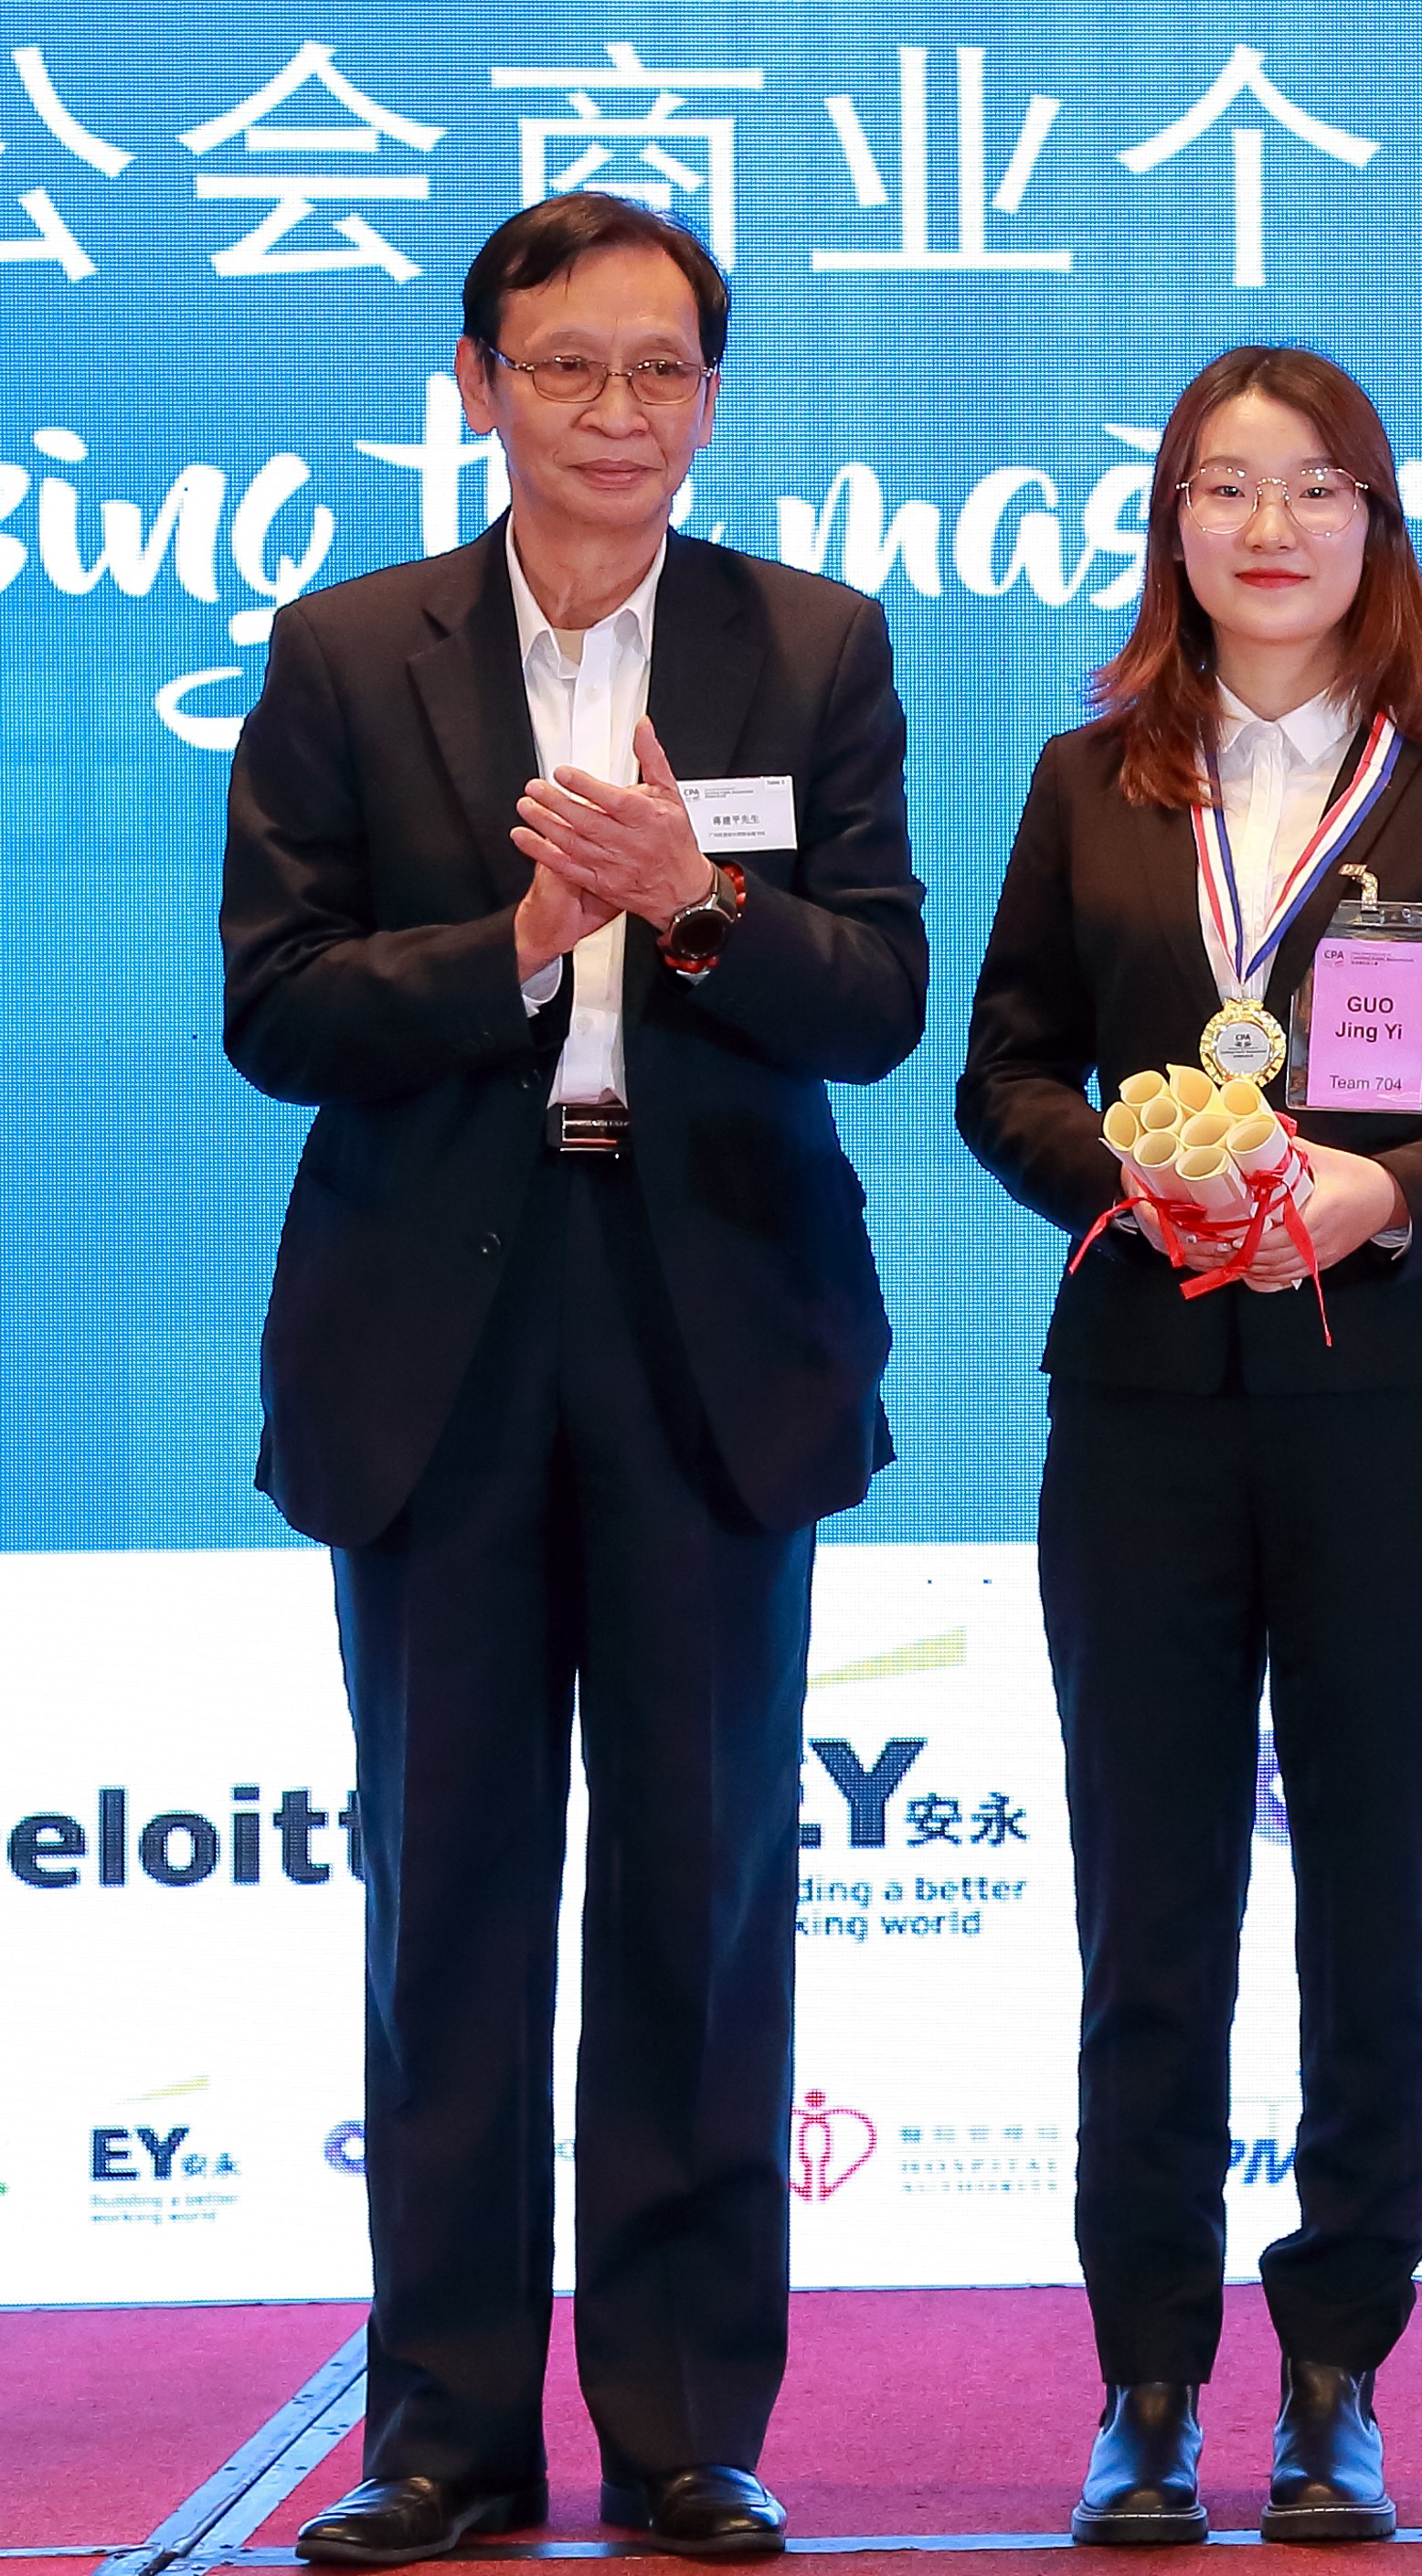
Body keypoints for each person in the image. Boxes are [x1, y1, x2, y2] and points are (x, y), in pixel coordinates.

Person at [222, 195, 926, 2565]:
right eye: (565, 367)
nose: (616, 413)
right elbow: (276, 1008)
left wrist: (692, 901)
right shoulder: (350, 650)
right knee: (446, 1901)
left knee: (699, 1895)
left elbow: (877, 999)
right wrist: (525, 934)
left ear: (712, 397)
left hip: (711, 1328)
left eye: (660, 370)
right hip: (434, 1339)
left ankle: (686, 2426)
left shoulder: (808, 645)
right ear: (478, 384)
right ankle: (441, 2432)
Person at [957, 345, 1422, 2548]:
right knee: (1148, 1908)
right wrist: (1124, 1177)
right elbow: (1004, 1071)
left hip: (1389, 1410)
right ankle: (1145, 2379)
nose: (1268, 526)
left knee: (1378, 1899)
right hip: (1141, 1409)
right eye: (1224, 486)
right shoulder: (1090, 779)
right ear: (1172, 523)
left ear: (1376, 524)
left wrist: (1385, 1190)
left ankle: (1337, 2371)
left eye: (1315, 486)